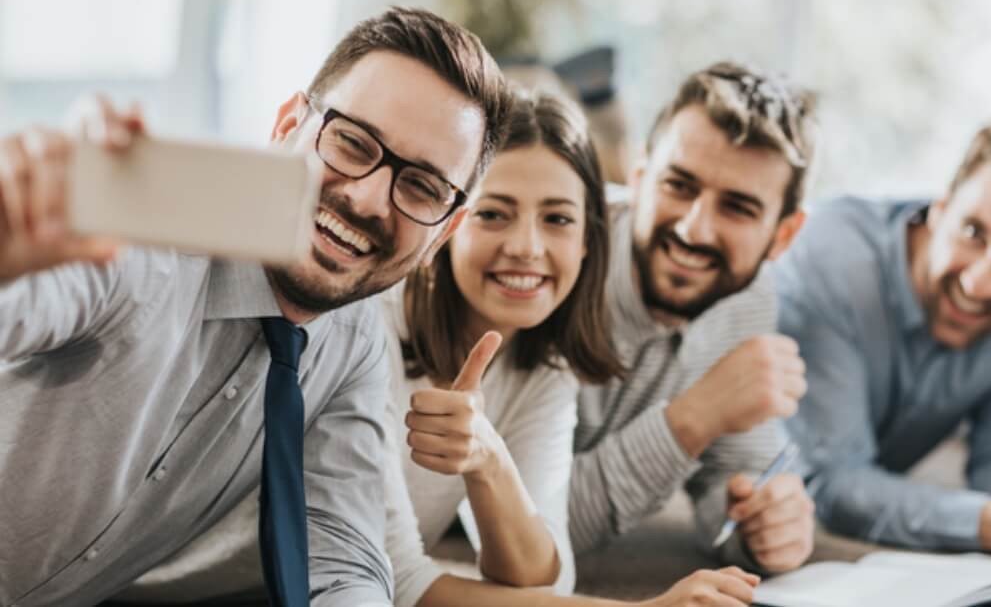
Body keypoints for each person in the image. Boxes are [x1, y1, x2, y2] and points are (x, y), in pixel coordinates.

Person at [122, 92, 766, 607]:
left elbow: (546, 578)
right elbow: (399, 580)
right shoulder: (368, 324)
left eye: (558, 219)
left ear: (591, 242)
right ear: (449, 227)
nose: (527, 247)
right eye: (495, 214)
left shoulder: (543, 367)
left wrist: (488, 462)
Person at [0, 6, 511, 606]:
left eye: (422, 186)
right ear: (287, 126)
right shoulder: (143, 233)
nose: (370, 198)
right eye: (351, 142)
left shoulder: (353, 345)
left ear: (442, 237)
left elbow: (342, 558)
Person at [776, 113, 991, 566]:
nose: (979, 283)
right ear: (940, 207)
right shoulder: (831, 256)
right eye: (973, 232)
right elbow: (833, 483)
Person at [569, 61, 817, 574]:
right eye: (679, 185)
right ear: (639, 177)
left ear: (784, 235)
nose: (694, 229)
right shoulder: (554, 258)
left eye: (738, 208)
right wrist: (695, 417)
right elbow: (522, 523)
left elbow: (731, 475)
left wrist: (760, 520)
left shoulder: (747, 295)